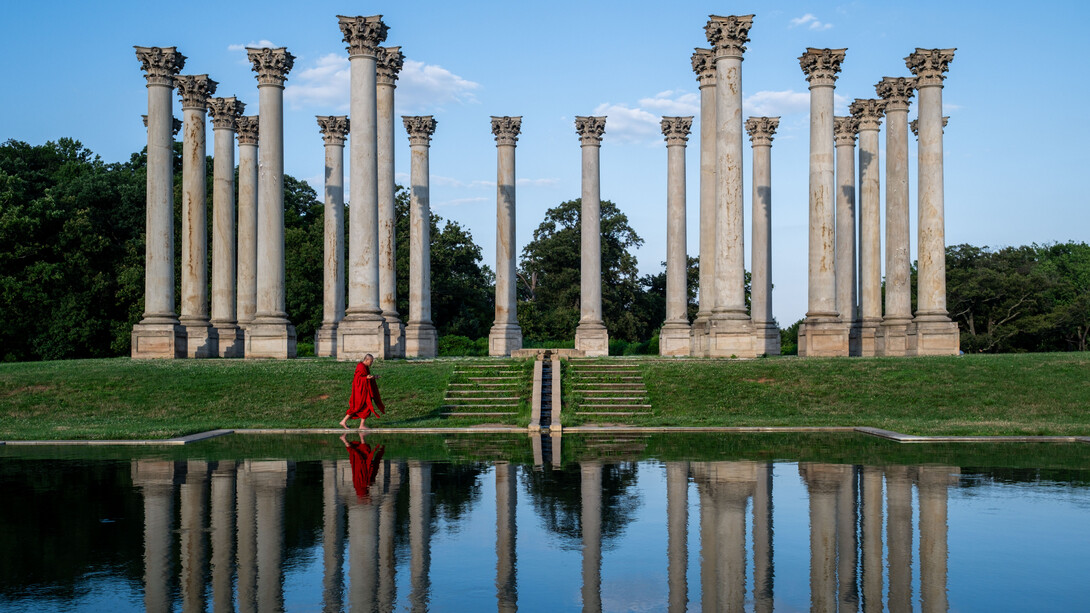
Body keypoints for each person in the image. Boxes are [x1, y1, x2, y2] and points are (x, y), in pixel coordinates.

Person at [340, 354, 385, 430]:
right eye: (371, 361)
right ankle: (343, 421)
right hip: (359, 391)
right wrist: (366, 378)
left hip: (365, 390)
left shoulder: (365, 367)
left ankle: (361, 425)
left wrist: (373, 377)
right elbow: (357, 379)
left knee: (366, 406)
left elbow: (365, 377)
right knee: (356, 407)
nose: (371, 363)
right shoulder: (360, 366)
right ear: (366, 360)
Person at [341, 432, 384, 502]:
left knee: (360, 452)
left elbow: (364, 487)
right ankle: (357, 437)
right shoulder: (359, 487)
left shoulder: (362, 488)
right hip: (359, 468)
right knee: (358, 452)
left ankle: (355, 437)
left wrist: (368, 486)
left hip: (362, 468)